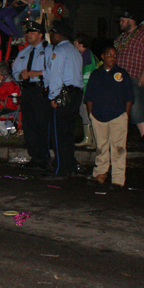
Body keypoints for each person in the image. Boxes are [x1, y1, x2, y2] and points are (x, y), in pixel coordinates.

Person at [84, 47, 133, 189]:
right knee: (101, 147)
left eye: (114, 55)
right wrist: (91, 114)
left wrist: (126, 114)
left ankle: (118, 179)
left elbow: (129, 97)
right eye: (109, 55)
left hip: (118, 115)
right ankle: (100, 173)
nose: (112, 58)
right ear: (103, 56)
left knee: (118, 148)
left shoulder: (122, 74)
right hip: (99, 116)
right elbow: (89, 96)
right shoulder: (96, 74)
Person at [44, 21, 83, 180]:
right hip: (75, 94)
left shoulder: (59, 51)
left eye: (52, 34)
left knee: (58, 134)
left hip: (63, 95)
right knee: (67, 133)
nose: (51, 37)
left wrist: (53, 96)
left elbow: (56, 75)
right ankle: (70, 166)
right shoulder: (74, 50)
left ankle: (60, 169)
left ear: (58, 34)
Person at [114, 10, 144, 145]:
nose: (120, 23)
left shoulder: (143, 36)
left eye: (123, 20)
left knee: (137, 104)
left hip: (134, 76)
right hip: (118, 78)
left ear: (131, 21)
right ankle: (120, 135)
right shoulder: (121, 38)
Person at [12, 20, 50, 169]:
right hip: (27, 90)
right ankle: (34, 156)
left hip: (41, 90)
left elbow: (55, 71)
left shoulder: (49, 51)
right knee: (29, 124)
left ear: (41, 35)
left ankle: (44, 158)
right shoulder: (24, 52)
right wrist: (21, 76)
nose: (29, 35)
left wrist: (37, 73)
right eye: (28, 32)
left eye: (33, 32)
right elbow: (15, 72)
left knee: (42, 124)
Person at [74, 33, 100, 149]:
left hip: (87, 89)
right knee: (86, 113)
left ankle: (89, 139)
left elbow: (83, 73)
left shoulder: (86, 56)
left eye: (76, 41)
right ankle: (91, 139)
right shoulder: (87, 54)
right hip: (90, 89)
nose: (74, 43)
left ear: (80, 44)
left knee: (86, 113)